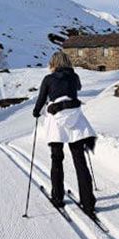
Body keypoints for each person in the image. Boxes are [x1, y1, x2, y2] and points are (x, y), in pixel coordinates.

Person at [32, 51, 97, 215]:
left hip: (56, 120)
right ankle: (88, 202)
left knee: (57, 158)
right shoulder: (74, 77)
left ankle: (58, 197)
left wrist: (35, 112)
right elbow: (79, 88)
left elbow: (41, 100)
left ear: (53, 63)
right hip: (75, 118)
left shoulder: (48, 79)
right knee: (79, 160)